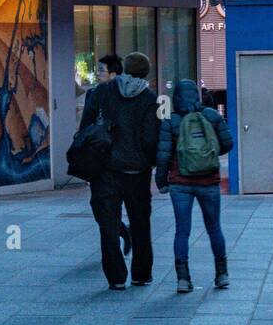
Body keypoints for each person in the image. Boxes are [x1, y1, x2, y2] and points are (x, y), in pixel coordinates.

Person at [79, 52, 158, 290]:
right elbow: (151, 138)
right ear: (146, 73)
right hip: (137, 171)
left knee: (108, 225)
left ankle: (116, 277)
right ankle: (141, 274)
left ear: (123, 69)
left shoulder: (102, 92)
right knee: (141, 223)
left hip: (105, 170)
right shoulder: (149, 98)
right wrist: (149, 161)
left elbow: (85, 128)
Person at [156, 78, 234, 293]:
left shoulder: (170, 121)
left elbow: (162, 156)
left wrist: (161, 181)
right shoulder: (211, 116)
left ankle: (183, 278)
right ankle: (222, 274)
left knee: (182, 230)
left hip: (180, 183)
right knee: (214, 228)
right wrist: (208, 155)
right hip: (208, 181)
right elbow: (228, 143)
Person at [81, 54, 132, 256]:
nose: (97, 74)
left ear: (113, 74)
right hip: (98, 158)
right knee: (97, 205)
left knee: (111, 205)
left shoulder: (126, 95)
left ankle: (114, 257)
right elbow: (86, 125)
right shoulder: (93, 94)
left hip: (120, 159)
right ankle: (121, 231)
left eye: (101, 70)